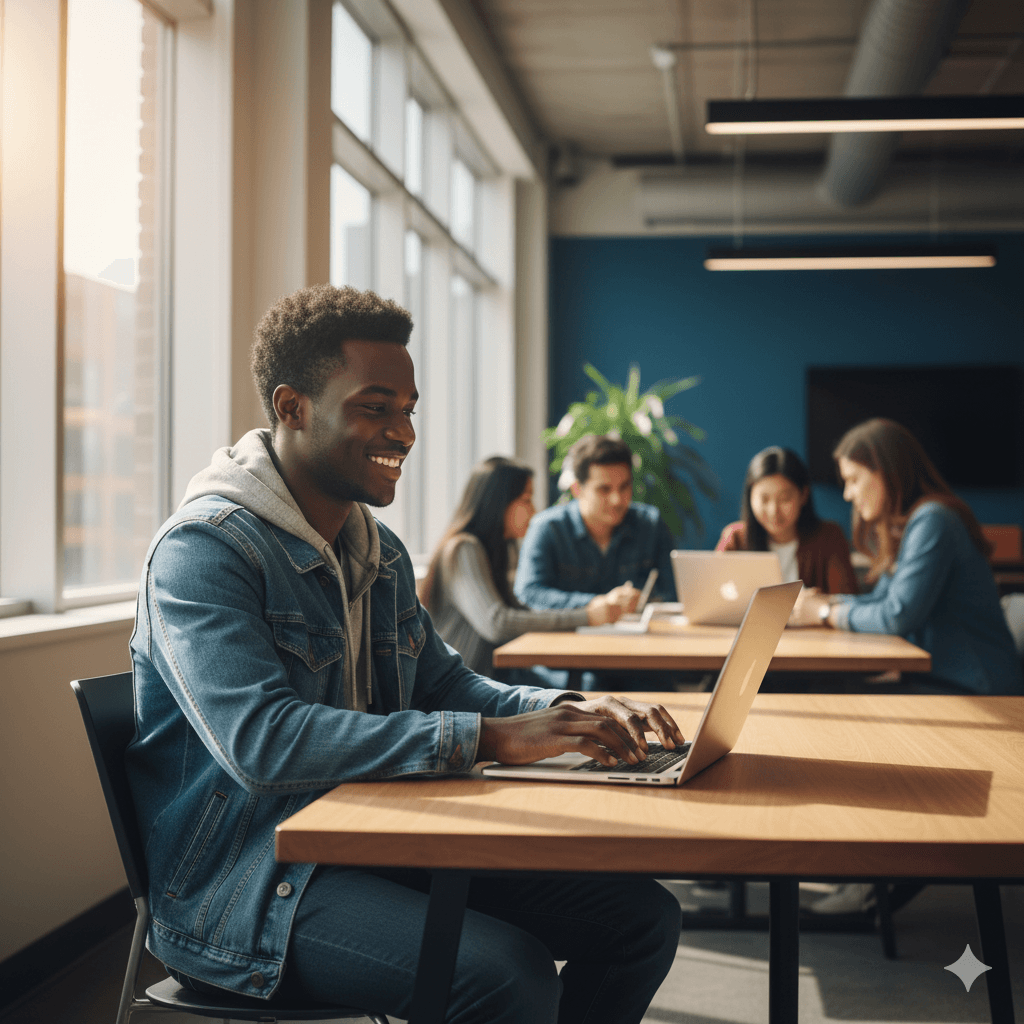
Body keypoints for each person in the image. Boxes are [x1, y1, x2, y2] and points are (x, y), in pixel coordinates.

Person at [125, 284, 684, 1024]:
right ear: (292, 408)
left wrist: (564, 712)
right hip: (254, 883)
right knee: (507, 977)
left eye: (409, 408)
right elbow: (261, 741)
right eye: (375, 406)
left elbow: (443, 682)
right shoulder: (204, 551)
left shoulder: (376, 550)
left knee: (642, 919)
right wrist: (487, 739)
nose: (405, 433)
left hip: (379, 836)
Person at [790, 418, 1022, 696]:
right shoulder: (914, 524)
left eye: (853, 479)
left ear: (886, 472)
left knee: (827, 695)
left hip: (977, 691)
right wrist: (826, 602)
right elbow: (884, 602)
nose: (848, 494)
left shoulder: (933, 520)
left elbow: (896, 617)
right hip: (942, 682)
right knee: (825, 691)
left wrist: (824, 613)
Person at [420, 456, 633, 677]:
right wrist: (586, 616)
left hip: (492, 681)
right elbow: (497, 623)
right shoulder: (463, 549)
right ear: (498, 502)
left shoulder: (499, 549)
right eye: (526, 499)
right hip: (459, 693)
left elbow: (521, 613)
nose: (534, 510)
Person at [515, 434, 676, 613]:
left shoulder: (650, 524)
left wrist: (644, 601)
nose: (617, 500)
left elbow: (674, 593)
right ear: (577, 489)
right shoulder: (548, 528)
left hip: (638, 636)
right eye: (604, 489)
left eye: (624, 487)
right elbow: (529, 593)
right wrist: (599, 604)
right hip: (566, 637)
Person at [716, 446, 858, 594]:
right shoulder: (736, 537)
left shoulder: (829, 537)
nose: (773, 511)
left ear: (803, 495)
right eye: (764, 499)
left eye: (784, 499)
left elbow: (846, 600)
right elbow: (710, 592)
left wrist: (819, 604)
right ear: (750, 497)